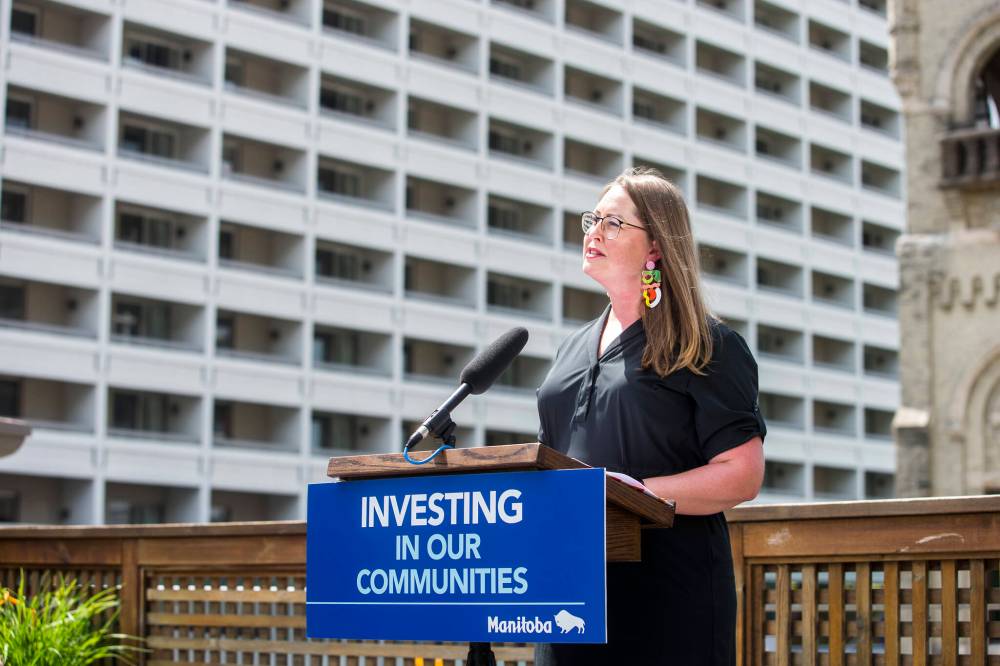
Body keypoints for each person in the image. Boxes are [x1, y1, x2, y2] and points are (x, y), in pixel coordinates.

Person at [534, 167, 767, 665]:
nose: (593, 231)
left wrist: (633, 495)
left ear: (656, 247)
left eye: (613, 223)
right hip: (570, 596)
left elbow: (742, 475)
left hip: (667, 600)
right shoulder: (571, 347)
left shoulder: (708, 346)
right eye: (592, 219)